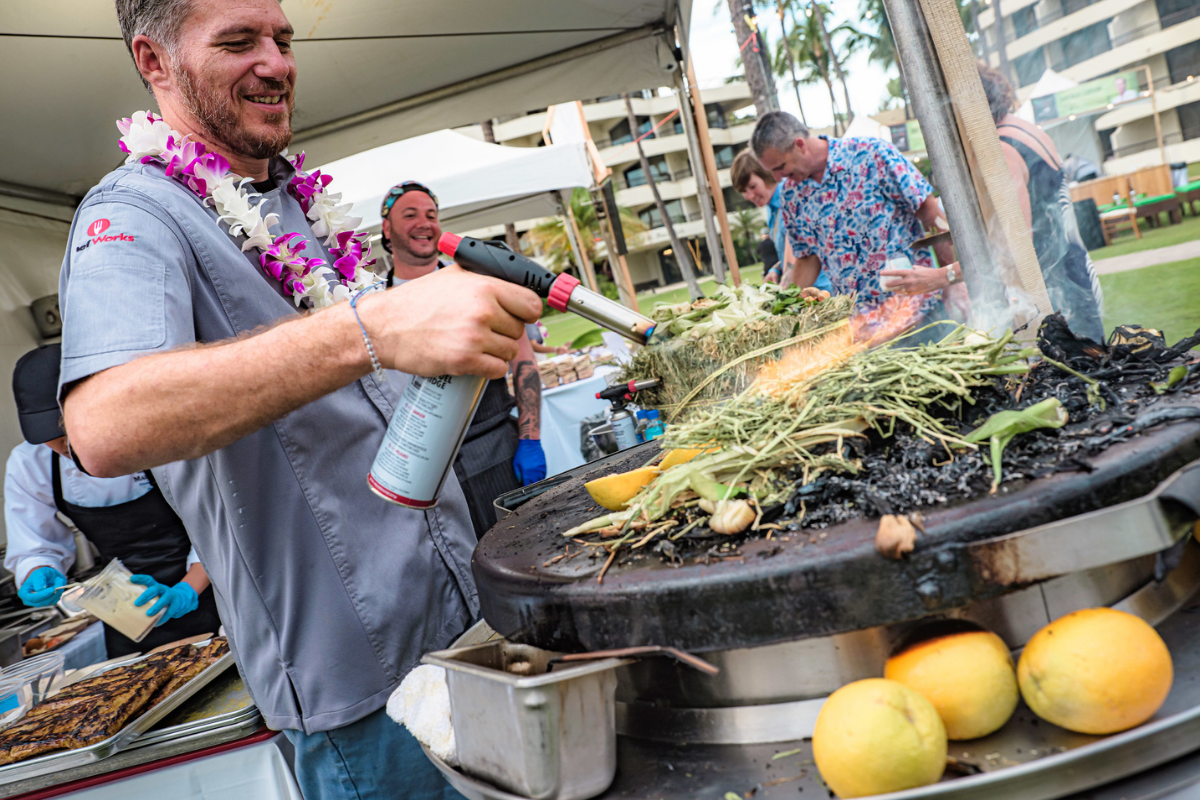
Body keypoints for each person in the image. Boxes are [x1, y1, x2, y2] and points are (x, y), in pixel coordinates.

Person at [59, 1, 542, 797]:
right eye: (239, 41)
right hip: (364, 698)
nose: (277, 63)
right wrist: (374, 327)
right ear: (153, 63)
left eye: (282, 39)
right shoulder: (133, 212)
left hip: (468, 629)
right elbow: (106, 423)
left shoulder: (297, 203)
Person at [5, 345, 221, 657]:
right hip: (126, 617)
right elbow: (35, 545)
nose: (68, 446)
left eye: (71, 432)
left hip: (212, 590)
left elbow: (214, 521)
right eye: (56, 440)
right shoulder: (31, 463)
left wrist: (188, 589)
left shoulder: (156, 431)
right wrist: (38, 568)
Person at [380, 182, 547, 535]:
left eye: (431, 215)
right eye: (409, 215)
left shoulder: (476, 284)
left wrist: (530, 440)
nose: (424, 223)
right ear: (387, 228)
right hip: (424, 468)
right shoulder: (376, 304)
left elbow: (525, 364)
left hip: (495, 447)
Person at [750, 111, 970, 335]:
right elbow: (807, 257)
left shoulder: (871, 154)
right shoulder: (790, 195)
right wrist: (787, 311)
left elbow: (928, 210)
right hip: (862, 330)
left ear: (799, 145)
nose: (778, 178)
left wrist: (951, 281)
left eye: (780, 167)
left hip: (919, 312)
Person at [978, 63, 1105, 342]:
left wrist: (948, 276)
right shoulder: (1025, 128)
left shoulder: (1002, 146)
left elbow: (1017, 245)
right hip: (1077, 270)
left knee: (1076, 378)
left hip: (1059, 290)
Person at [730, 150, 833, 294]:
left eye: (752, 187)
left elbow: (796, 260)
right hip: (803, 291)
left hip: (820, 292)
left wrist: (780, 301)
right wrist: (776, 269)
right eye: (743, 191)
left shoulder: (790, 199)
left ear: (766, 175)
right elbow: (791, 253)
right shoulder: (771, 208)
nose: (750, 195)